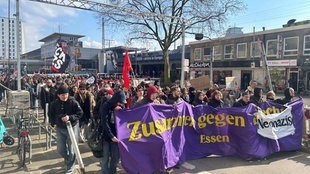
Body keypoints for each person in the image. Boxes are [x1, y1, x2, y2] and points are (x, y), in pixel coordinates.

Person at [48, 86, 83, 174]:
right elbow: (51, 114)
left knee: (72, 148)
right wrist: (53, 123)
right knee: (60, 149)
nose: (65, 96)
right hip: (60, 128)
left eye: (66, 94)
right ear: (59, 95)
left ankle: (70, 166)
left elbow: (80, 113)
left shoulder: (73, 102)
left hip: (72, 127)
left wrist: (70, 117)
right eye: (63, 95)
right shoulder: (54, 103)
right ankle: (68, 160)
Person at [100, 90, 127, 174]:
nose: (120, 103)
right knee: (105, 159)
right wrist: (111, 136)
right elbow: (104, 122)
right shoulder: (106, 105)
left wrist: (121, 109)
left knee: (115, 158)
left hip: (117, 137)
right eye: (119, 101)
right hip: (106, 137)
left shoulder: (121, 106)